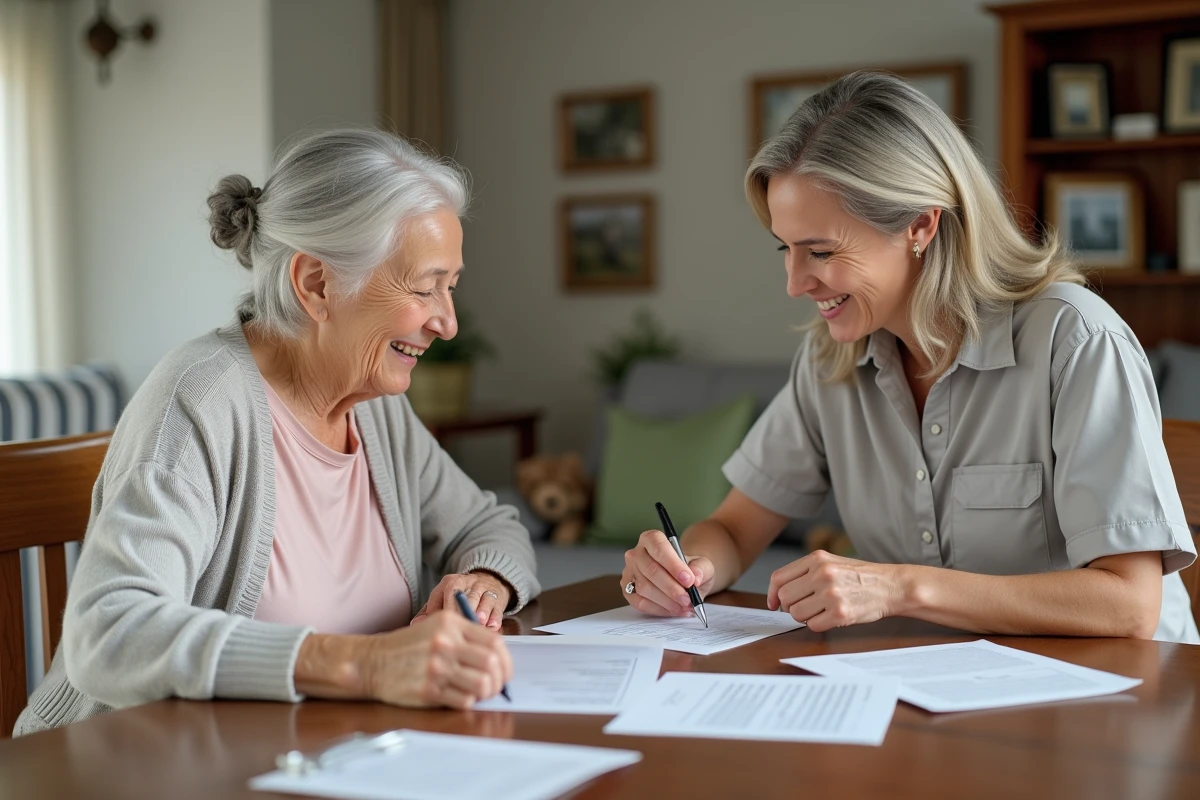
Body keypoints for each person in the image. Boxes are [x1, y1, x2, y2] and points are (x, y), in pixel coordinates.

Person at [620, 71, 1198, 643]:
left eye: (820, 251)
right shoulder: (829, 360)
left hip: (1120, 697)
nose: (795, 284)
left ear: (921, 225)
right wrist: (686, 568)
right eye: (786, 249)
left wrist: (898, 589)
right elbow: (733, 528)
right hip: (936, 692)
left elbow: (1129, 604)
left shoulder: (1073, 339)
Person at [16, 129, 540, 736]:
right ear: (316, 284)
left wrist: (483, 583)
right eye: (424, 289)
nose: (446, 323)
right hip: (133, 768)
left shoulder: (372, 405)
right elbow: (109, 632)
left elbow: (488, 525)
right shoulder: (200, 401)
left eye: (450, 286)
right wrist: (364, 665)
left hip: (320, 757)